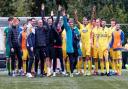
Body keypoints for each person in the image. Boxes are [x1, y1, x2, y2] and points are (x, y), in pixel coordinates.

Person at [62, 9, 80, 77]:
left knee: (75, 60)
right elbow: (64, 22)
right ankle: (71, 72)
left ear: (73, 23)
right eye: (70, 23)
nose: (71, 24)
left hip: (76, 47)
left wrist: (77, 37)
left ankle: (72, 69)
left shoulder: (76, 29)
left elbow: (79, 36)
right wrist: (64, 15)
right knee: (71, 60)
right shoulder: (67, 29)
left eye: (72, 23)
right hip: (70, 48)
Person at [74, 10, 92, 75]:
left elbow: (92, 19)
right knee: (83, 58)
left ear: (87, 21)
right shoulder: (81, 26)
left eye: (85, 20)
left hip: (88, 44)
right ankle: (85, 71)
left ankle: (88, 71)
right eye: (83, 20)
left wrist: (93, 12)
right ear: (82, 21)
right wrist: (75, 14)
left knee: (88, 56)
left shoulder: (89, 25)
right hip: (82, 44)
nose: (84, 21)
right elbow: (76, 21)